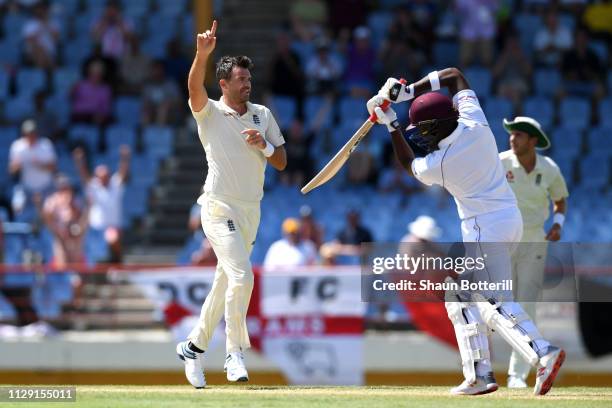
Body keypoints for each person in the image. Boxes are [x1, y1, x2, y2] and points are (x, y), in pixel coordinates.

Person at [366, 67, 564, 396]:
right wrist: (409, 92)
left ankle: (543, 353)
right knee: (458, 296)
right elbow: (455, 75)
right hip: (507, 220)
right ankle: (479, 374)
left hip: (485, 228)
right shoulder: (475, 121)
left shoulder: (441, 162)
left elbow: (407, 163)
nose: (421, 135)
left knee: (493, 300)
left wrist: (392, 124)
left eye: (422, 129)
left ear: (435, 127)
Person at [175, 20, 287, 389]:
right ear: (223, 84)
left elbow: (282, 160)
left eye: (248, 78)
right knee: (242, 276)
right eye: (240, 79)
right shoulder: (209, 113)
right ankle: (235, 352)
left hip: (251, 210)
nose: (246, 83)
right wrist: (201, 54)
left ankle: (193, 346)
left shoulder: (262, 115)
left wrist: (264, 146)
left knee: (226, 283)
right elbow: (193, 88)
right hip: (218, 206)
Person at [499, 116, 569, 388]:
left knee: (526, 305)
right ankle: (476, 369)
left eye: (518, 135)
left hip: (533, 242)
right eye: (512, 134)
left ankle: (517, 375)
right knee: (494, 305)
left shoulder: (549, 168)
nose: (512, 139)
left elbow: (560, 201)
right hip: (502, 240)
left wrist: (558, 225)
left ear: (533, 141)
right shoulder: (500, 162)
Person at [73, 145, 130, 263]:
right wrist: (79, 162)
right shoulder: (94, 187)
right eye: (100, 177)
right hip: (96, 229)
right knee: (96, 254)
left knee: (112, 239)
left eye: (105, 176)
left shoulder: (115, 186)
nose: (103, 179)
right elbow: (84, 176)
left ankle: (118, 261)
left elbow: (123, 172)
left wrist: (125, 158)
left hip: (112, 227)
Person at [9, 119, 57, 220]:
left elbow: (53, 167)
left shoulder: (45, 145)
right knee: (18, 209)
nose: (31, 135)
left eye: (33, 133)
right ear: (24, 133)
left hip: (46, 187)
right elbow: (12, 170)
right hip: (27, 188)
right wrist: (18, 165)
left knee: (49, 214)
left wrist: (38, 164)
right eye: (28, 133)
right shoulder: (17, 147)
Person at [42, 175, 88, 269]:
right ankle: (63, 276)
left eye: (66, 186)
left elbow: (79, 216)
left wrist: (71, 204)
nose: (65, 188)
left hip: (74, 232)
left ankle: (76, 274)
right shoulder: (52, 200)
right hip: (58, 232)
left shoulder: (75, 199)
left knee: (77, 238)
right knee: (60, 248)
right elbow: (47, 217)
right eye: (62, 186)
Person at [22, 1, 59, 69]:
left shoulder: (53, 23)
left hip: (50, 52)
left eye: (43, 10)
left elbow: (56, 39)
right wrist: (41, 27)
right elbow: (29, 40)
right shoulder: (30, 24)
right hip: (33, 51)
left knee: (43, 53)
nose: (41, 12)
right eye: (39, 10)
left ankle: (45, 73)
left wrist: (47, 25)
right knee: (38, 50)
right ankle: (45, 72)